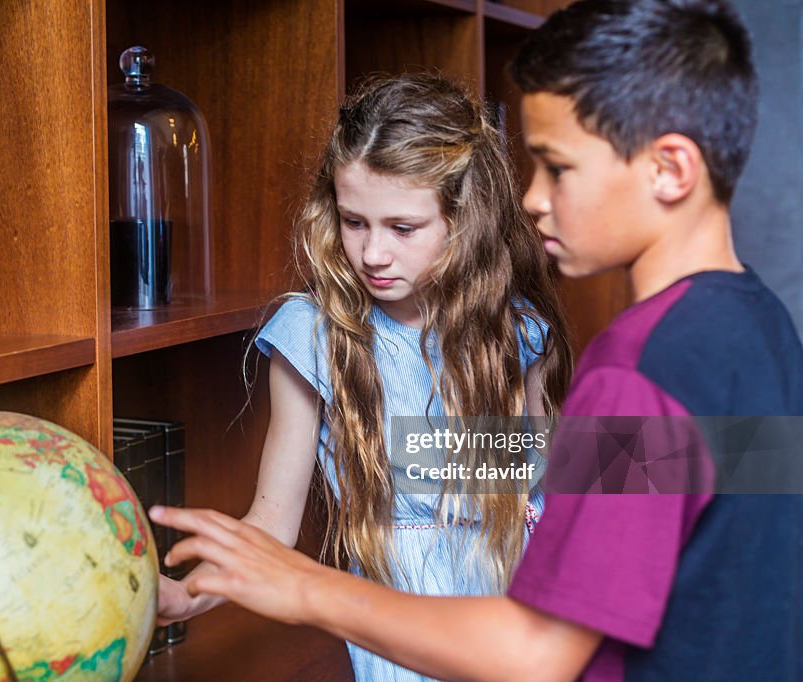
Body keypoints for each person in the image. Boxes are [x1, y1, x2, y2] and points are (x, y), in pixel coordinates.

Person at [149, 1, 803, 680]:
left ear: (671, 168)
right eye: (355, 222)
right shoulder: (765, 330)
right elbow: (695, 487)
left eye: (555, 165)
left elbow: (538, 648)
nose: (531, 197)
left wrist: (306, 586)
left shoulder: (634, 371)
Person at [155, 72, 572, 680]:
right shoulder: (313, 334)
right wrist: (185, 599)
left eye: (403, 228)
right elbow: (271, 522)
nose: (374, 254)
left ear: (467, 221)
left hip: (516, 611)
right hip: (389, 620)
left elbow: (547, 481)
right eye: (355, 222)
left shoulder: (518, 330)